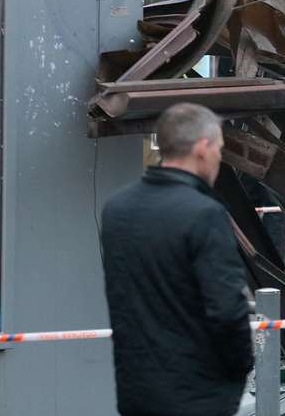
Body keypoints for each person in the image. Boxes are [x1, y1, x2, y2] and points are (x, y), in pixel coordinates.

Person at [100, 103, 254, 416]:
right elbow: (226, 309)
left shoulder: (117, 209)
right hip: (198, 392)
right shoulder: (204, 214)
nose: (219, 159)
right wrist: (241, 366)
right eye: (219, 149)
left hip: (135, 388)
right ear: (202, 148)